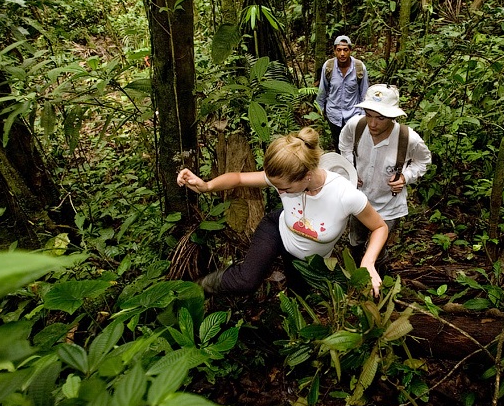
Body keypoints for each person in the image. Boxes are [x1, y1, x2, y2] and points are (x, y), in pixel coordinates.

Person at [177, 127, 388, 296]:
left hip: (309, 260)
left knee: (301, 297)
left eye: (285, 189)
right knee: (246, 281)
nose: (279, 191)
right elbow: (239, 178)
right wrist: (206, 186)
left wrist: (368, 262)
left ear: (306, 176)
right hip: (278, 230)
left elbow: (379, 227)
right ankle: (196, 288)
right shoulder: (287, 175)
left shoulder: (345, 195)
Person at [338, 84, 431, 264]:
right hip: (359, 200)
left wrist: (405, 177)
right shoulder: (356, 125)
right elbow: (345, 144)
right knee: (355, 241)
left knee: (378, 249)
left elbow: (424, 160)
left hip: (388, 206)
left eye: (380, 118)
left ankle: (377, 278)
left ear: (392, 116)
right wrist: (350, 169)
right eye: (369, 115)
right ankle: (354, 273)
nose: (372, 124)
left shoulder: (408, 138)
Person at [316, 35, 370, 150]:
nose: (342, 54)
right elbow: (322, 90)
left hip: (354, 115)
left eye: (345, 50)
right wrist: (319, 111)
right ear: (334, 51)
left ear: (350, 50)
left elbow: (364, 93)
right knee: (338, 145)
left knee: (353, 146)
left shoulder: (360, 67)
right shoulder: (328, 66)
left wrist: (363, 115)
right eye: (339, 50)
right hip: (334, 115)